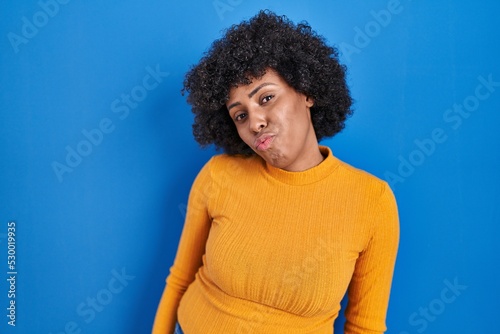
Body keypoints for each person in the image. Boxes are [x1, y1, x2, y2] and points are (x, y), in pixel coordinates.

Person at [152, 10, 399, 334]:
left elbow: (364, 327)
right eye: (239, 115)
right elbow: (180, 278)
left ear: (307, 91)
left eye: (266, 98)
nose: (255, 122)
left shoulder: (372, 201)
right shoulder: (218, 175)